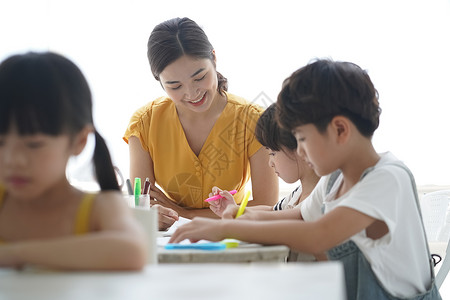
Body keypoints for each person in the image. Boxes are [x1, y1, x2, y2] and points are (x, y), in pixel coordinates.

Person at [169, 59, 442, 299]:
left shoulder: (388, 178)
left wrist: (225, 229)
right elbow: (295, 216)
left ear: (339, 129)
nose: (299, 151)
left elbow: (318, 235)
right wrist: (236, 217)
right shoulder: (334, 181)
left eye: (302, 138)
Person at [123, 17, 278, 230]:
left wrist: (183, 214)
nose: (192, 93)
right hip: (172, 240)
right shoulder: (144, 124)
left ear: (213, 59)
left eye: (199, 77)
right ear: (159, 81)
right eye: (175, 86)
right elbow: (144, 203)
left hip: (235, 236)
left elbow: (266, 205)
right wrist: (152, 215)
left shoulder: (253, 120)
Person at [0, 52, 147, 271]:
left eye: (34, 145)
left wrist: (15, 254)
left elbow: (132, 250)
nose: (12, 160)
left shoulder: (100, 207)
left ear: (79, 141)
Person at [208, 103, 320, 222]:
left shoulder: (317, 200)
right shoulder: (299, 193)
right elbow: (273, 211)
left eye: (273, 153)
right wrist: (234, 210)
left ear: (301, 149)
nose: (270, 163)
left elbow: (281, 226)